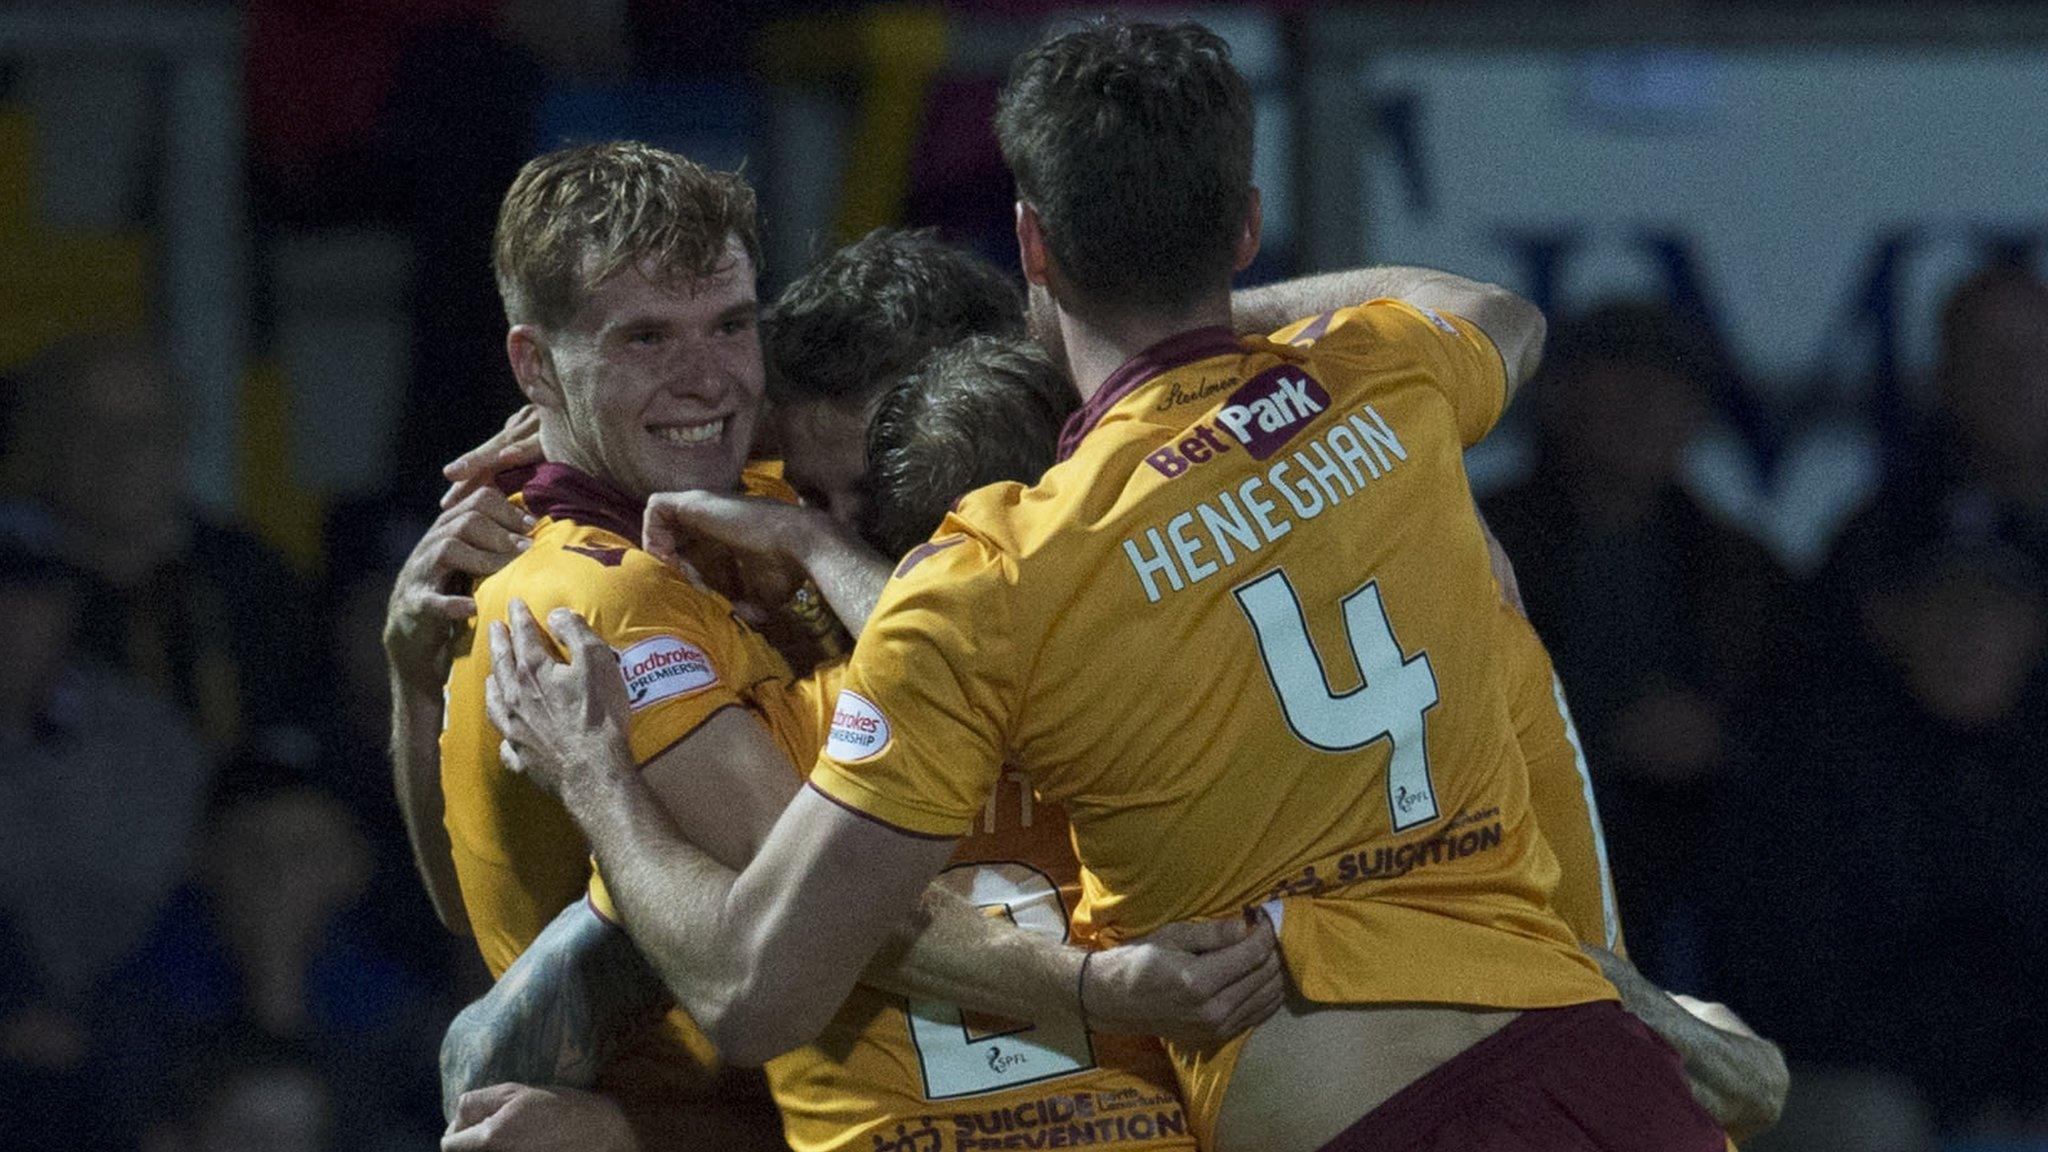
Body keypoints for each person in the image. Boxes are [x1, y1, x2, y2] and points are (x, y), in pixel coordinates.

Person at [484, 20, 1726, 1152]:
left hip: (1366, 1113)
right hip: (1597, 1068)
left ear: (1031, 241)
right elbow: (1488, 311)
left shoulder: (995, 579)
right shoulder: (1384, 392)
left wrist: (600, 782)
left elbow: (756, 989)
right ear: (1240, 231)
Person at [402, 141, 1276, 1150]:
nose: (702, 379)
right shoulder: (595, 598)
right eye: (643, 339)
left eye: (729, 325)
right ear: (534, 362)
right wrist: (1107, 988)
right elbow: (801, 937)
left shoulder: (774, 498)